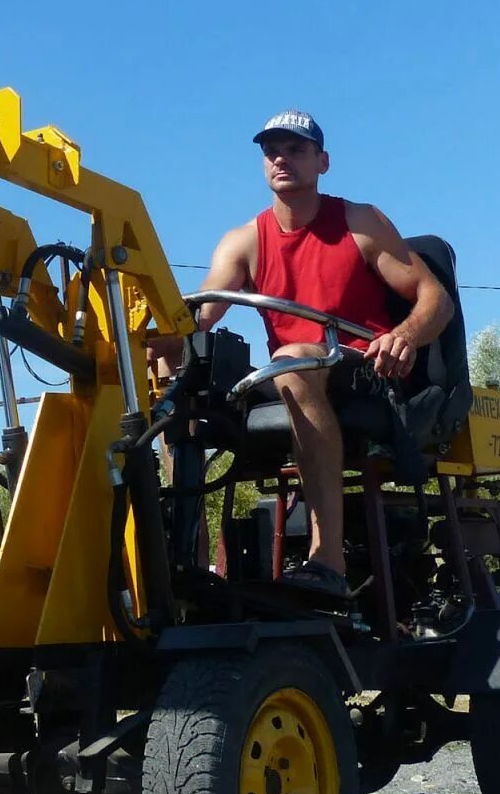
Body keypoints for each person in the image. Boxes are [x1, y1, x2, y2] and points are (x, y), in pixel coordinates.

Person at [190, 110, 452, 600]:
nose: (281, 159)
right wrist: (157, 342)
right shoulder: (243, 241)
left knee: (291, 360)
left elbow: (435, 298)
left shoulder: (360, 222)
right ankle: (188, 560)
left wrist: (406, 336)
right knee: (174, 377)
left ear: (322, 162)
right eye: (272, 151)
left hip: (362, 370)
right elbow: (201, 313)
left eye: (296, 149)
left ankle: (326, 559)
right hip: (294, 371)